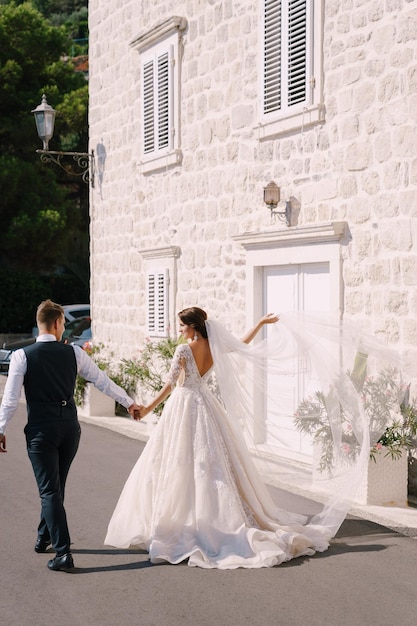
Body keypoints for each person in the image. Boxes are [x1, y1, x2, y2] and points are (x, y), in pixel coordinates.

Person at [105, 307, 343, 568]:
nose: (180, 329)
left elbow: (171, 385)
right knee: (211, 462)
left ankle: (187, 520)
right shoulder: (213, 345)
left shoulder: (184, 350)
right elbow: (241, 344)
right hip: (205, 404)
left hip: (184, 405)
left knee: (181, 463)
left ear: (193, 326)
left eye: (182, 325)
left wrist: (148, 408)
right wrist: (261, 323)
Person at [0, 299, 140, 571]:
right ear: (56, 323)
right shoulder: (74, 353)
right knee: (55, 487)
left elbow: (9, 400)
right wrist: (128, 402)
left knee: (50, 489)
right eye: (64, 322)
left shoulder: (22, 356)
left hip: (41, 430)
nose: (64, 327)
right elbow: (102, 380)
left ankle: (63, 553)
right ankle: (43, 538)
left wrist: (1, 428)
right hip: (69, 429)